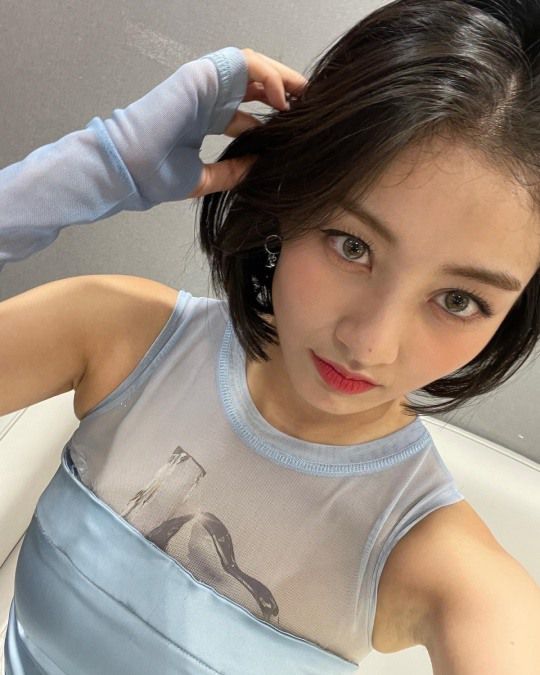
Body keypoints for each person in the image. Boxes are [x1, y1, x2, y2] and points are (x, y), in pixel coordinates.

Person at [1, 1, 540, 674]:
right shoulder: (118, 336)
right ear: (291, 198)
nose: (370, 343)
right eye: (352, 245)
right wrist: (86, 169)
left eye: (459, 300)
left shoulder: (447, 567)